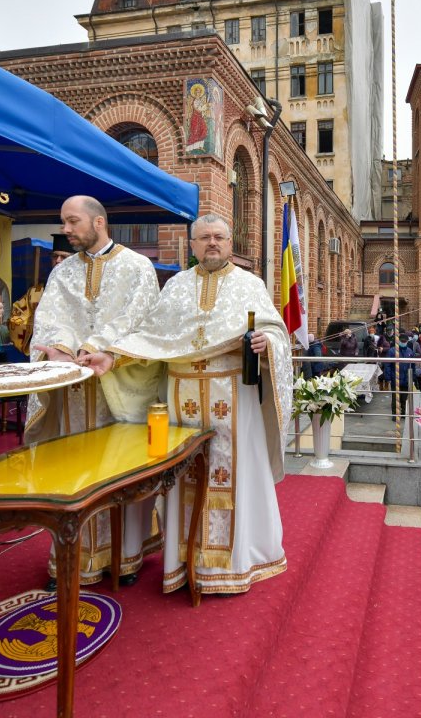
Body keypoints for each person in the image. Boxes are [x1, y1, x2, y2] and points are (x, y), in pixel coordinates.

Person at [110, 214, 292, 594]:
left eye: (219, 237)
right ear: (192, 245)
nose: (212, 243)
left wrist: (265, 345)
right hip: (181, 398)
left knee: (233, 473)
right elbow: (151, 336)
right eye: (204, 238)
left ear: (230, 243)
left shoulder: (250, 284)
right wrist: (109, 355)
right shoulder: (175, 287)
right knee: (183, 474)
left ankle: (234, 563)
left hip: (233, 395)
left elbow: (275, 331)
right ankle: (184, 562)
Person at [28, 195, 164, 590]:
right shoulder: (63, 272)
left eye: (72, 222)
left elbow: (140, 319)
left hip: (117, 387)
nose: (65, 230)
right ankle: (74, 557)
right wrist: (58, 347)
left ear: (99, 222)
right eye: (63, 222)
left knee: (120, 471)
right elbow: (50, 317)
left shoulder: (138, 267)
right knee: (73, 471)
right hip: (72, 393)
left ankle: (126, 555)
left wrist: (101, 346)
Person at [9, 233, 75, 355]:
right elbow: (17, 318)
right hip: (42, 351)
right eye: (55, 256)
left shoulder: (81, 294)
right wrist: (37, 323)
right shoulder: (35, 293)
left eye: (64, 257)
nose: (58, 261)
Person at [383, 333, 415, 422]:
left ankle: (404, 413)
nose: (403, 343)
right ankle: (395, 414)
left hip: (406, 379)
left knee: (404, 398)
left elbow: (413, 366)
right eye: (402, 341)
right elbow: (387, 365)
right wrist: (388, 378)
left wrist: (413, 378)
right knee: (395, 398)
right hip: (395, 378)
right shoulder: (392, 351)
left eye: (405, 341)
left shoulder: (410, 352)